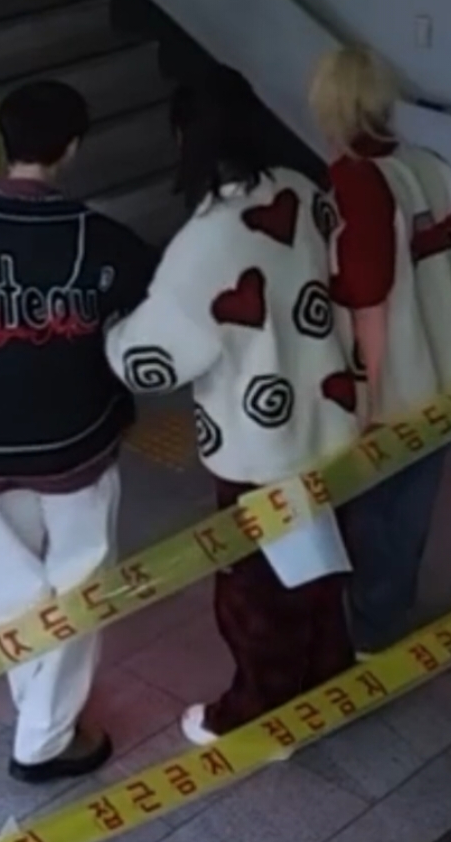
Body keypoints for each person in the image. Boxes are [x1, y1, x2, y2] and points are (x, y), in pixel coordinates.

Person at [105, 67, 360, 743]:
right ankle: (328, 676)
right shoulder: (305, 191)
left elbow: (150, 359)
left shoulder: (205, 240)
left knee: (256, 586)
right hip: (329, 413)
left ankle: (258, 711)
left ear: (183, 137)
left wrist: (110, 333)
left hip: (256, 442)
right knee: (320, 560)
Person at [0, 80, 159, 783]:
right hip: (78, 438)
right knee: (79, 584)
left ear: (1, 143)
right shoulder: (100, 238)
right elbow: (144, 320)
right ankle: (44, 739)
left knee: (11, 589)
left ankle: (39, 709)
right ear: (72, 148)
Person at [309, 45, 451, 655]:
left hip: (391, 386)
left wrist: (363, 399)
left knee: (370, 515)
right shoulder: (431, 165)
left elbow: (367, 298)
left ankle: (369, 631)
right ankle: (389, 615)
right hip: (447, 374)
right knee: (412, 509)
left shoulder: (354, 183)